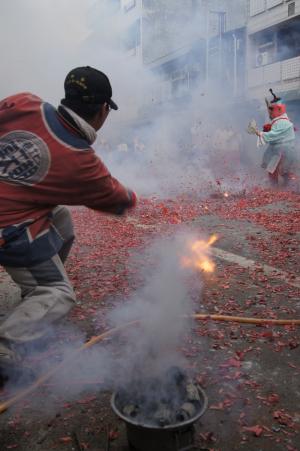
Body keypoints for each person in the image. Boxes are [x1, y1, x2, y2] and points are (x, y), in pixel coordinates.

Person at [0, 66, 137, 374]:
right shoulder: (80, 160)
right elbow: (118, 200)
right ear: (103, 110)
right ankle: (6, 347)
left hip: (11, 210)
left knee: (62, 220)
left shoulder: (23, 102)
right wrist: (133, 196)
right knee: (60, 294)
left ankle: (32, 295)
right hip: (7, 227)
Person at [249, 89, 296, 186]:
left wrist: (260, 132)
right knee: (272, 169)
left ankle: (286, 185)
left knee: (283, 169)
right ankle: (276, 186)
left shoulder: (282, 121)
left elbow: (274, 134)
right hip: (276, 148)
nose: (270, 113)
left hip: (284, 149)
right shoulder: (276, 120)